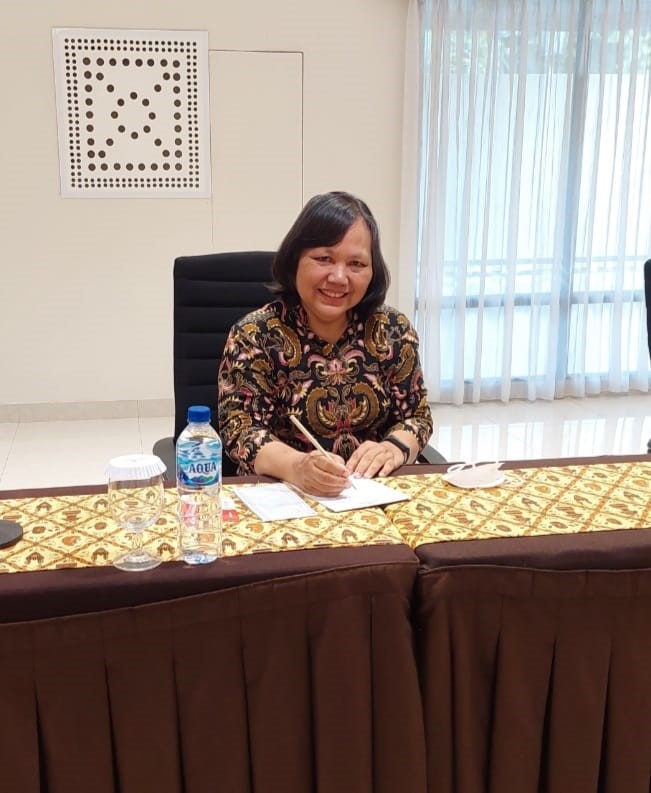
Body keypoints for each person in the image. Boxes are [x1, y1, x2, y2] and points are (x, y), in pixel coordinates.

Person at [218, 191, 433, 496]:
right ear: (295, 260)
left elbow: (417, 416)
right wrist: (297, 467)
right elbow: (240, 430)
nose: (339, 277)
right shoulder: (255, 335)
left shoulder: (392, 330)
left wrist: (394, 447)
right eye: (324, 259)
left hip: (374, 493)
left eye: (356, 263)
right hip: (287, 494)